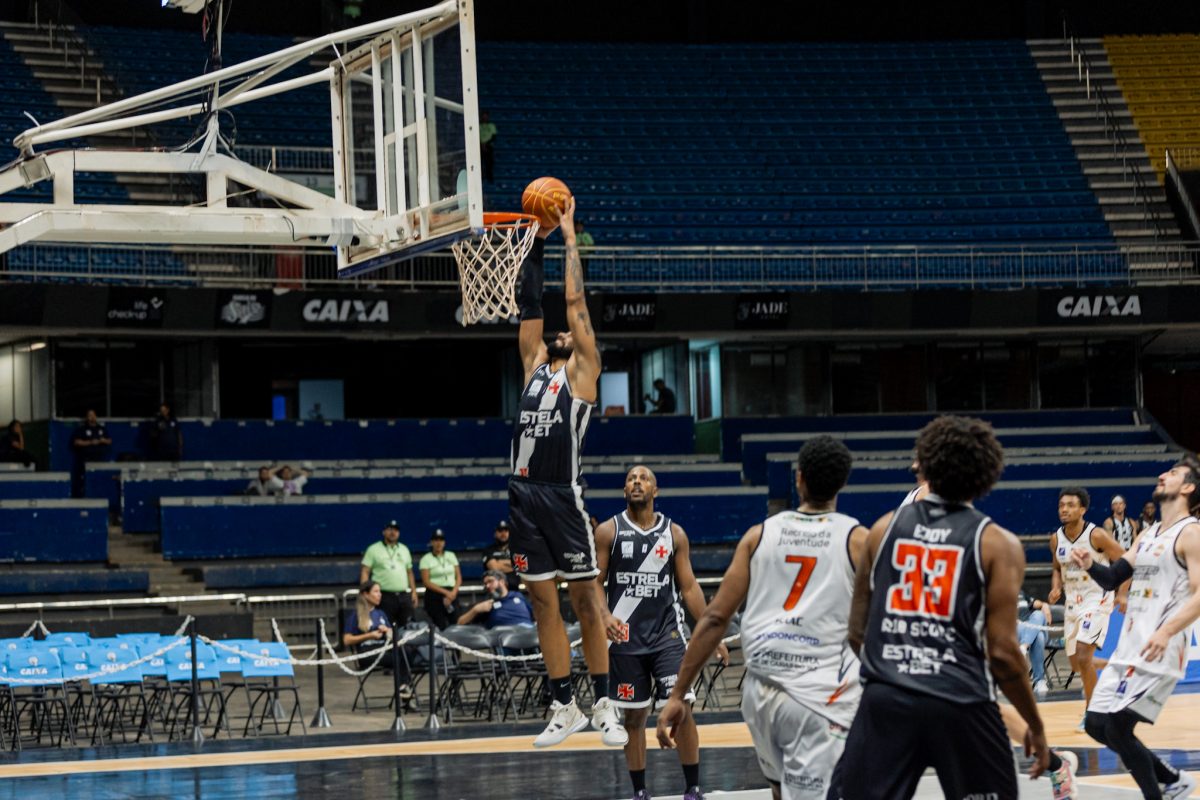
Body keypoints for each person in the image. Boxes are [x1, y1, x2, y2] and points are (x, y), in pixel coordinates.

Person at [834, 415, 1049, 800]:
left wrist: (893, 671)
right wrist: (1035, 725)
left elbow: (856, 631)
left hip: (888, 699)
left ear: (924, 465)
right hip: (962, 701)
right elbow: (1003, 653)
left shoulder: (881, 529)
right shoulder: (998, 544)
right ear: (988, 474)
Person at [658, 435, 867, 800]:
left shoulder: (759, 535)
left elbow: (715, 618)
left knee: (779, 790)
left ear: (799, 478)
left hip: (760, 694)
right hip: (818, 696)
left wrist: (678, 694)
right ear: (843, 483)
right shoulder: (857, 540)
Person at [509, 195, 626, 749]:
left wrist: (570, 236)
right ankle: (564, 706)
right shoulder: (534, 365)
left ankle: (603, 703)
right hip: (522, 494)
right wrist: (536, 240)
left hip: (563, 494)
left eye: (569, 330)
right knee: (541, 603)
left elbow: (574, 301)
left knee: (583, 600)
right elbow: (528, 302)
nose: (560, 331)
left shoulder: (584, 371)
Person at [902, 459, 1077, 797]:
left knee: (981, 708)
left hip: (948, 622)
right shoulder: (915, 499)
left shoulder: (935, 500)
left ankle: (1052, 762)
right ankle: (1053, 762)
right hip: (918, 620)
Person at [596, 465, 729, 800]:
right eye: (630, 478)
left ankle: (693, 788)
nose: (636, 482)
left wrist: (710, 633)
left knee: (681, 707)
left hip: (667, 636)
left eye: (644, 479)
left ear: (655, 491)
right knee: (634, 718)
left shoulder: (674, 533)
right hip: (624, 638)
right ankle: (640, 791)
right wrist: (604, 615)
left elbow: (689, 587)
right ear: (624, 490)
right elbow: (594, 583)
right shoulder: (608, 531)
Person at [1071, 456, 1200, 800]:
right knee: (1096, 724)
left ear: (1188, 487)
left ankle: (1158, 793)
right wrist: (1090, 565)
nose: (1163, 475)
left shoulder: (1191, 533)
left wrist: (1166, 631)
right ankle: (1173, 779)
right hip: (1129, 648)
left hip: (1160, 650)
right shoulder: (1148, 534)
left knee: (1117, 727)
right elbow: (1113, 577)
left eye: (1173, 473)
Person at [1049, 486, 1127, 726]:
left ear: (1082, 509)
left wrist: (1122, 594)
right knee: (1077, 664)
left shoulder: (1096, 535)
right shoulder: (1056, 538)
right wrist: (1056, 587)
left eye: (1070, 505)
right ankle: (1117, 668)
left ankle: (1093, 713)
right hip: (1072, 603)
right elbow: (1057, 567)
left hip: (1097, 599)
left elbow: (1126, 559)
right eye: (1061, 505)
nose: (1064, 509)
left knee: (1084, 655)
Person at [342, 580, 411, 695]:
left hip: (383, 647)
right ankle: (404, 687)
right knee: (402, 656)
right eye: (376, 591)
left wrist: (387, 630)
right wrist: (369, 635)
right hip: (367, 652)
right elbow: (346, 640)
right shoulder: (355, 615)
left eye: (380, 591)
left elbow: (391, 635)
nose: (380, 594)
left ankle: (404, 686)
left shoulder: (381, 613)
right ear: (365, 594)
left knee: (406, 650)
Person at [360, 520, 419, 630]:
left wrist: (414, 591)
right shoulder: (373, 549)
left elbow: (409, 572)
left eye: (396, 530)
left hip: (403, 595)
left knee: (409, 627)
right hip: (384, 596)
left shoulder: (404, 549)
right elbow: (365, 571)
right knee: (385, 628)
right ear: (383, 532)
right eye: (390, 529)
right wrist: (365, 592)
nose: (393, 532)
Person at [457, 570, 535, 628]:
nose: (487, 586)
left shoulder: (518, 595)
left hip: (527, 631)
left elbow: (534, 615)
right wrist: (475, 610)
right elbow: (460, 623)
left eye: (490, 581)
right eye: (485, 584)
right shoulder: (486, 604)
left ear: (502, 582)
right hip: (504, 638)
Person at [419, 529, 462, 630]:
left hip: (452, 593)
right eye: (436, 540)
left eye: (441, 540)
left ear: (444, 542)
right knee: (440, 624)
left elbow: (458, 577)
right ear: (431, 542)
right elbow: (426, 582)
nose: (439, 543)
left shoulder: (451, 555)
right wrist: (446, 593)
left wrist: (453, 593)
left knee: (457, 622)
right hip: (435, 594)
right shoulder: (426, 559)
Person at [70, 410, 111, 496]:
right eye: (90, 415)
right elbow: (77, 442)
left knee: (100, 480)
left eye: (93, 415)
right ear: (87, 417)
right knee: (86, 481)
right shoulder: (82, 429)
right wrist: (90, 442)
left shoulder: (101, 429)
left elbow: (109, 441)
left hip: (100, 459)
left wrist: (102, 440)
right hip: (86, 460)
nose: (92, 417)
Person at [482, 520, 520, 592]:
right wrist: (513, 564)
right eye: (500, 530)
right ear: (495, 534)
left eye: (506, 530)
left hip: (514, 589)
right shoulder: (488, 550)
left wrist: (499, 562)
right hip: (494, 591)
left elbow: (522, 567)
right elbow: (494, 567)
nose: (503, 533)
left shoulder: (517, 549)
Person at [479, 110, 496, 182]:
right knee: (479, 163)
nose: (485, 117)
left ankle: (489, 178)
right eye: (484, 116)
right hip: (479, 146)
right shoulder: (478, 125)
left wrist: (486, 144)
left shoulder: (491, 125)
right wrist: (481, 144)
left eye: (486, 116)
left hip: (489, 146)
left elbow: (494, 136)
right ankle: (481, 177)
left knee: (489, 162)